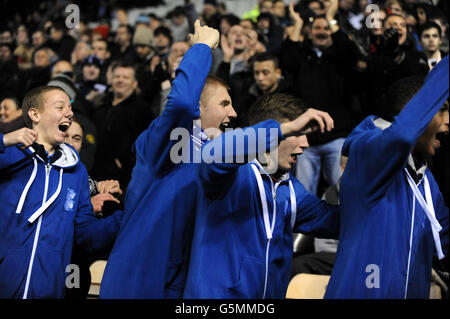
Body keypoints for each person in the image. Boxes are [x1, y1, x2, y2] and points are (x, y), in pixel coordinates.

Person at [99, 20, 231, 299]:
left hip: (180, 283)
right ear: (199, 107)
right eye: (224, 104)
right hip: (137, 280)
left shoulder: (212, 158)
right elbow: (181, 103)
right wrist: (201, 47)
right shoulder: (162, 142)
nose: (233, 113)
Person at [183, 93, 339, 299]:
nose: (306, 144)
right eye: (299, 132)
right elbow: (212, 155)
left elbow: (338, 221)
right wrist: (284, 129)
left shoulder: (290, 188)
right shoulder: (232, 175)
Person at [325, 56, 449, 299]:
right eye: (442, 110)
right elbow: (402, 136)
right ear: (415, 111)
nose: (447, 123)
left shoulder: (425, 179)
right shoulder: (366, 154)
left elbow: (444, 236)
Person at [0, 86, 122, 298]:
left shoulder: (77, 171)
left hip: (50, 290)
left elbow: (86, 234)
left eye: (70, 107)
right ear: (35, 114)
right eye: (60, 106)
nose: (69, 112)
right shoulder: (10, 153)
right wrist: (4, 140)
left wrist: (125, 217)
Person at [281, 2, 358, 196]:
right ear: (309, 32)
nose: (322, 32)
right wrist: (297, 24)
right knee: (303, 192)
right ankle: (303, 227)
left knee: (343, 191)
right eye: (317, 28)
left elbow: (349, 52)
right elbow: (287, 60)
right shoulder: (302, 56)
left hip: (337, 136)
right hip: (307, 138)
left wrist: (332, 18)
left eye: (326, 28)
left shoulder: (339, 57)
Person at [92, 60, 153, 189]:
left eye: (126, 77)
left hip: (124, 179)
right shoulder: (101, 106)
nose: (120, 80)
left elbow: (148, 143)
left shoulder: (142, 110)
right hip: (96, 174)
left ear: (134, 83)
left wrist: (126, 162)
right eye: (117, 76)